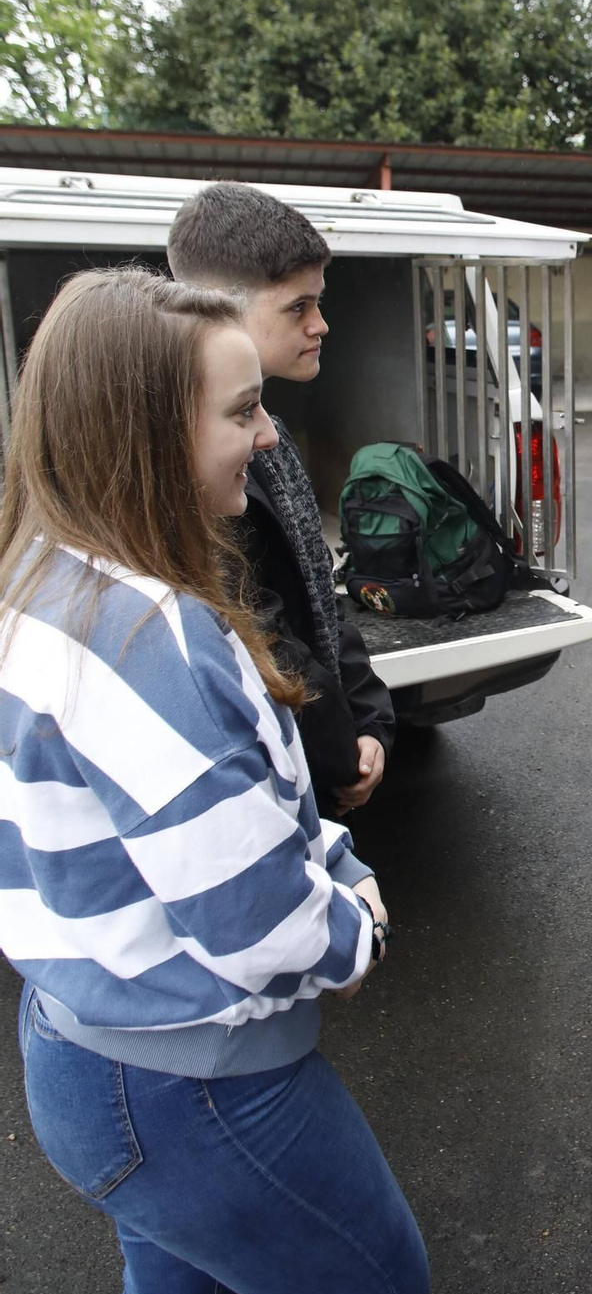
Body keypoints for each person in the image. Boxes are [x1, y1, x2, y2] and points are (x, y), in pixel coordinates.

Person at [0, 269, 429, 1294]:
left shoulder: (40, 573)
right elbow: (263, 927)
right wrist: (362, 919)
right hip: (191, 1083)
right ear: (143, 429)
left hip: (86, 1046)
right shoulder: (152, 637)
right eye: (240, 410)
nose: (269, 431)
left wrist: (323, 865)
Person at [168, 182, 394, 817]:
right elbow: (258, 628)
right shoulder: (200, 462)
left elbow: (317, 590)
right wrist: (338, 750)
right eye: (299, 307)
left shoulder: (270, 434)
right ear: (219, 309)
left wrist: (372, 718)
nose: (320, 324)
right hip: (266, 774)